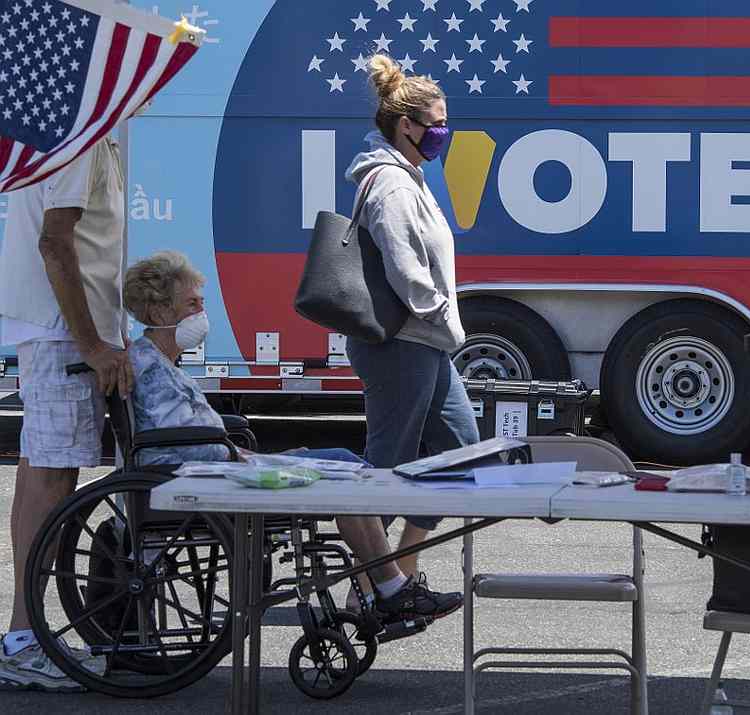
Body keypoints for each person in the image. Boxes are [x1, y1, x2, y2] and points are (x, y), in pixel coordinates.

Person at [121, 250, 463, 623]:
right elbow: (177, 447)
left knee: (348, 465)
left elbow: (185, 437)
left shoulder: (158, 363)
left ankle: (387, 586)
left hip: (220, 466)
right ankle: (391, 588)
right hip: (207, 480)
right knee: (347, 470)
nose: (201, 313)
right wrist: (243, 457)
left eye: (201, 303)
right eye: (191, 304)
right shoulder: (150, 369)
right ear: (158, 313)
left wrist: (247, 453)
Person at [0, 137, 133, 692]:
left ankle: (25, 637)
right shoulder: (81, 140)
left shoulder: (80, 134)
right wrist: (93, 345)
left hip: (56, 336)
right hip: (63, 339)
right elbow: (55, 244)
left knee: (42, 476)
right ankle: (25, 641)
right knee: (51, 479)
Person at [344, 54, 480, 579]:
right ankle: (371, 585)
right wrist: (447, 319)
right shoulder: (392, 184)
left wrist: (441, 330)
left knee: (462, 455)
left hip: (425, 343)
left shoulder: (411, 176)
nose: (444, 133)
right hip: (402, 343)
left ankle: (397, 569)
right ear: (407, 126)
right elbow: (406, 269)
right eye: (437, 123)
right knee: (388, 467)